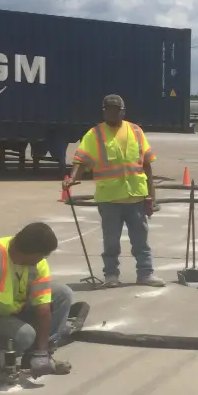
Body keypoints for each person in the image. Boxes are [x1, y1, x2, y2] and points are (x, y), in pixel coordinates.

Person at [0, 222, 85, 378]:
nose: (44, 259)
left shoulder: (37, 263)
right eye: (42, 255)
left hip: (11, 310)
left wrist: (41, 352)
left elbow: (43, 309)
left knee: (63, 294)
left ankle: (36, 356)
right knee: (25, 336)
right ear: (27, 252)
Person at [66, 94, 164, 288]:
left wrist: (151, 196)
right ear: (103, 111)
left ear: (123, 111)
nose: (111, 113)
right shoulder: (95, 134)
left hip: (135, 196)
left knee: (140, 240)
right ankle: (111, 275)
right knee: (111, 241)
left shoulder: (136, 131)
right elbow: (81, 160)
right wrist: (72, 178)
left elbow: (147, 165)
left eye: (115, 110)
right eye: (108, 110)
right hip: (109, 198)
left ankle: (145, 274)